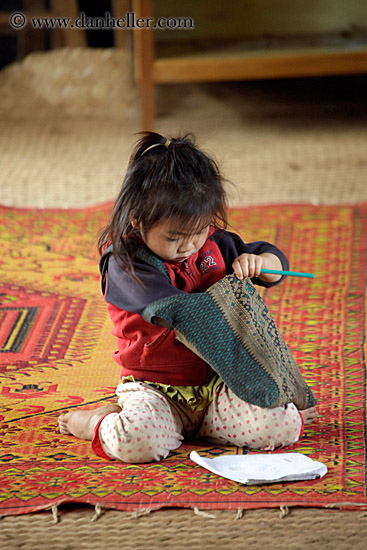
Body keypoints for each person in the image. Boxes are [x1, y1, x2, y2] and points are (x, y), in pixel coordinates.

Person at [58, 132, 317, 463]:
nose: (189, 246)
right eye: (174, 237)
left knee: (281, 427)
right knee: (136, 443)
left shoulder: (213, 243)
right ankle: (98, 420)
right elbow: (176, 309)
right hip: (156, 389)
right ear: (138, 219)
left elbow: (272, 260)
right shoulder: (124, 264)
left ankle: (197, 427)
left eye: (199, 231)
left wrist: (263, 265)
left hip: (218, 385)